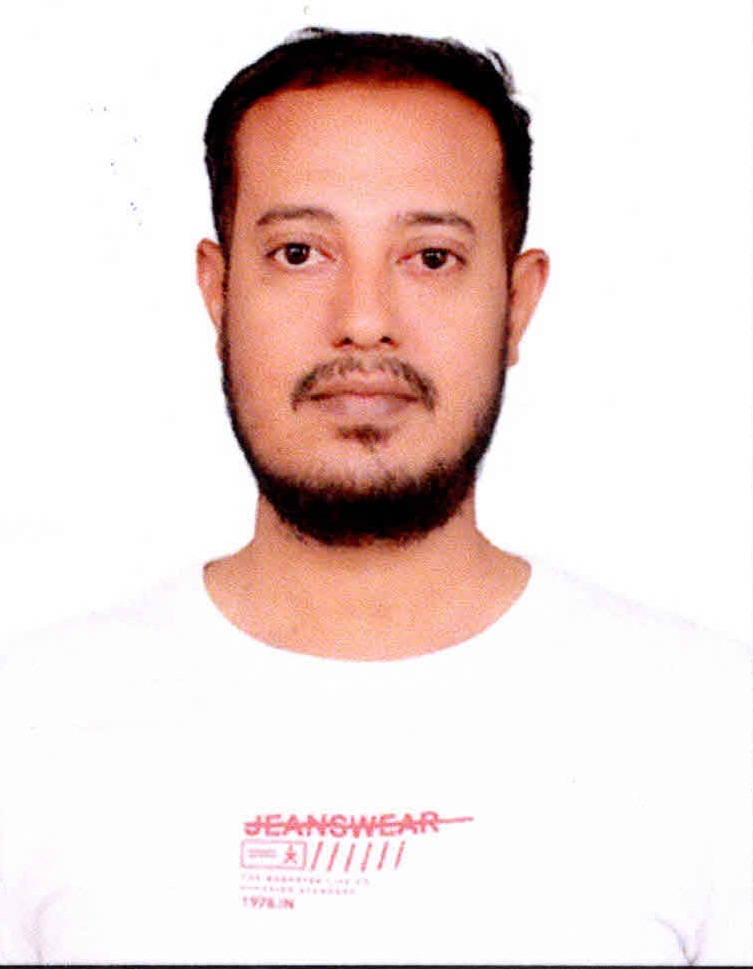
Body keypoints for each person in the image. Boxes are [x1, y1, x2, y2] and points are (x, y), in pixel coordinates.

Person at [0, 27, 750, 966]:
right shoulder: (26, 725)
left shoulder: (716, 728)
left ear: (516, 304)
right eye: (299, 252)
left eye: (430, 257)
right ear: (218, 292)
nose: (362, 320)